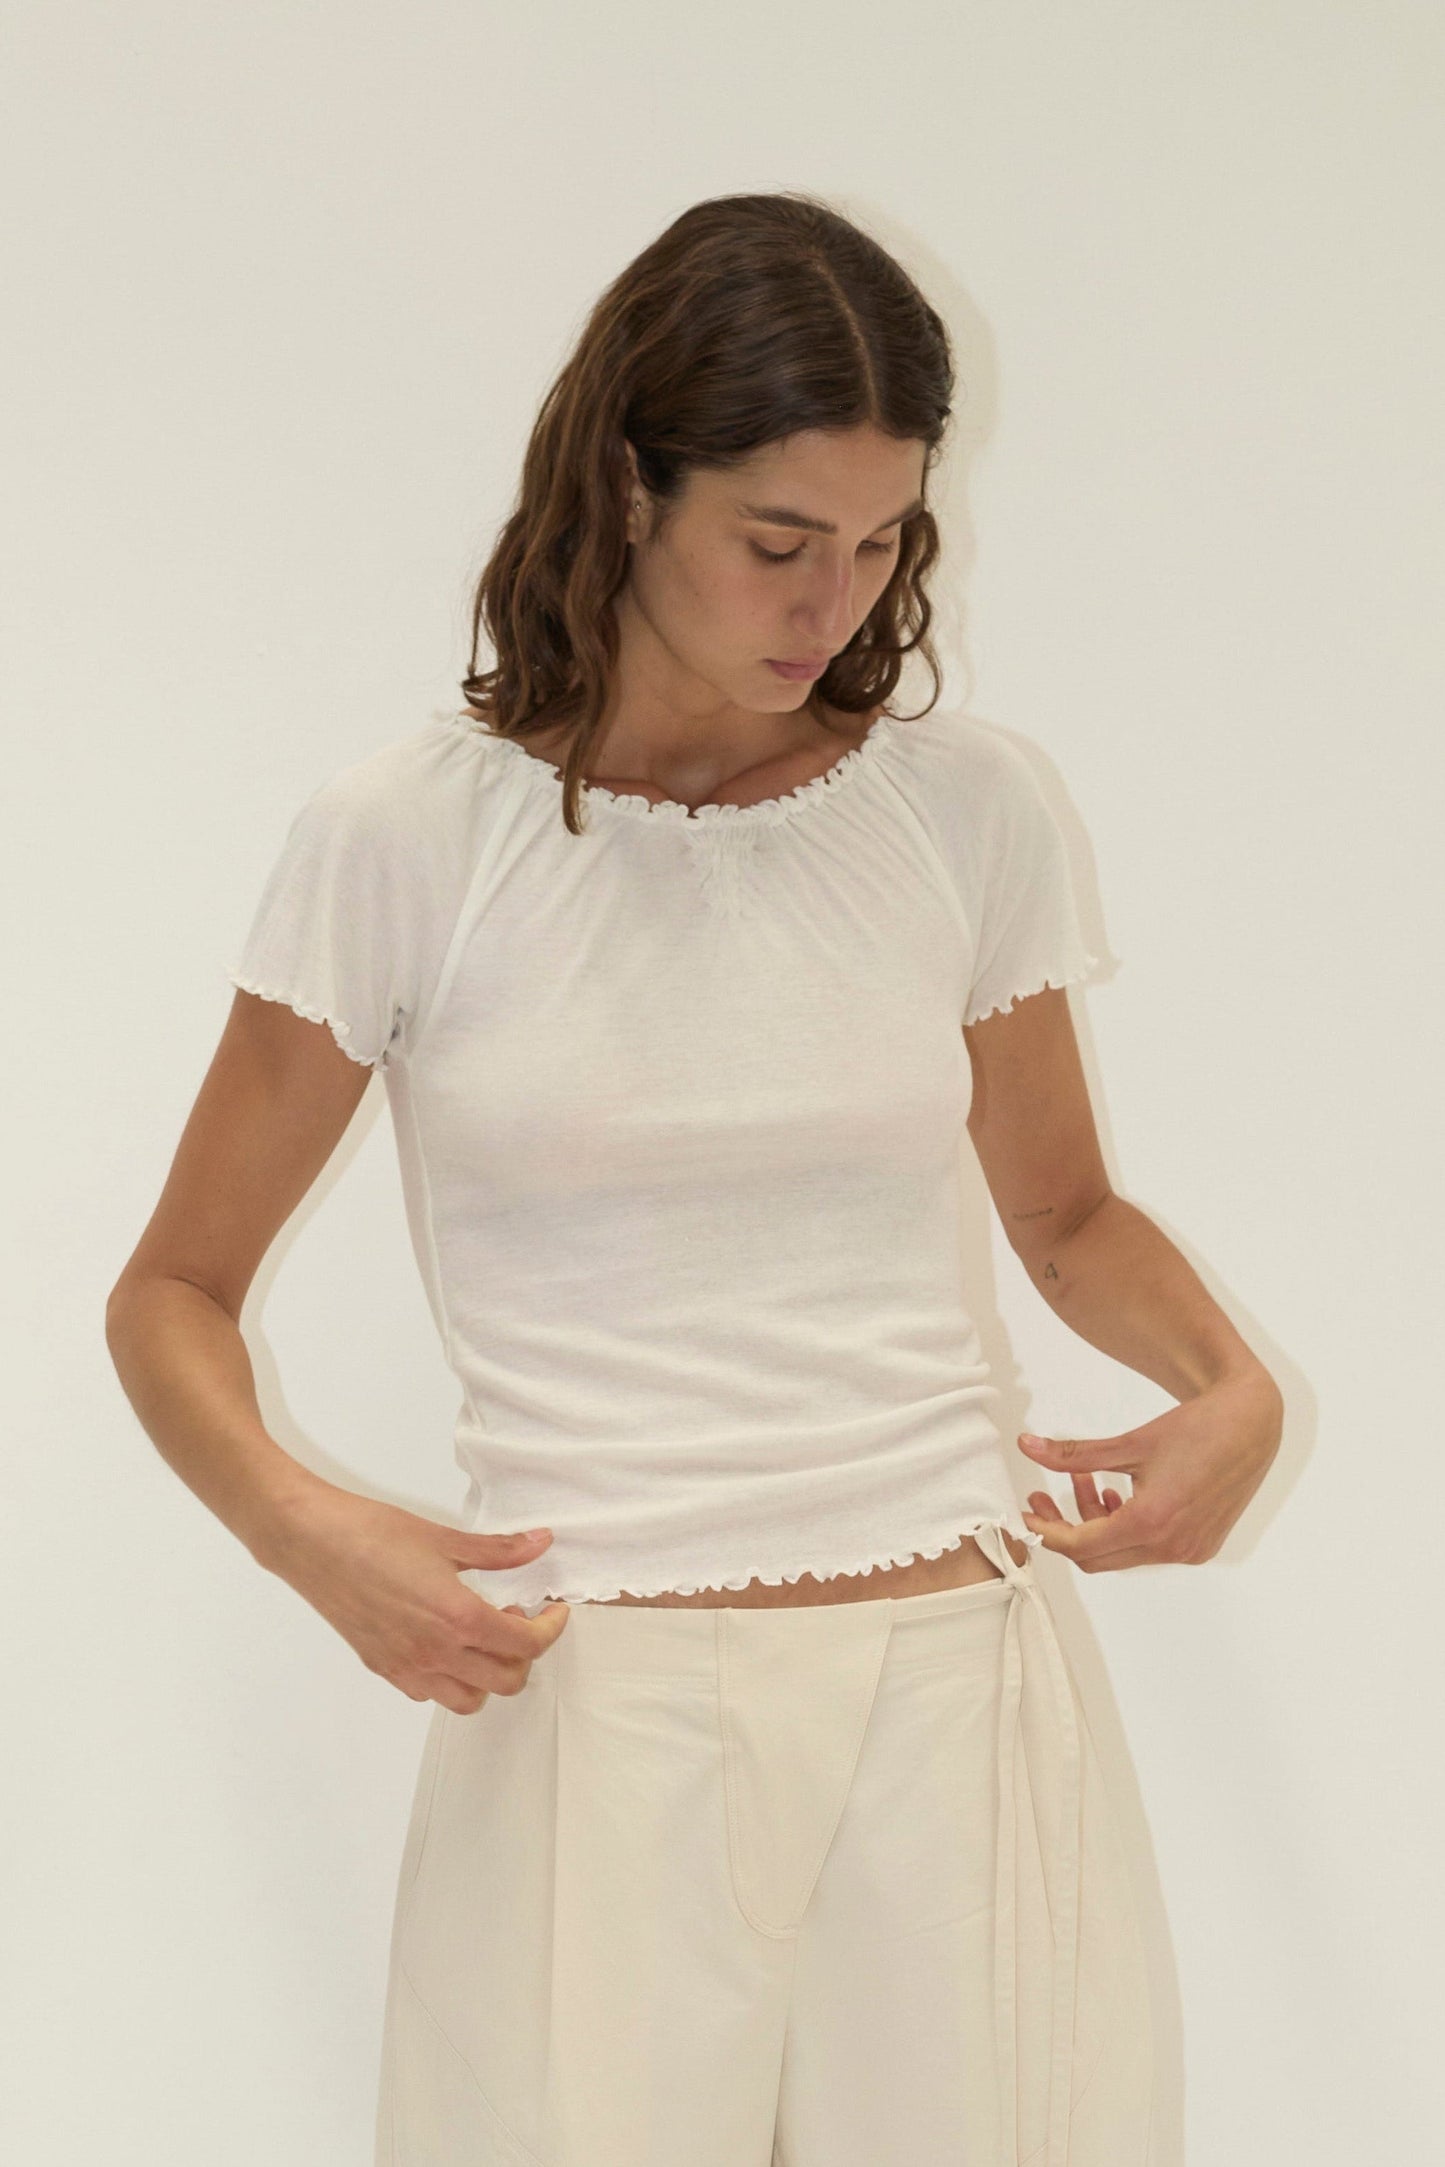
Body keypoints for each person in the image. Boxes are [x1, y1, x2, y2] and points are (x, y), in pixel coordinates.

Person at [105, 190, 1283, 2167]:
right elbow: (173, 1290)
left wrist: (1231, 1389)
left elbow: (1065, 1216)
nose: (833, 599)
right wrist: (307, 1533)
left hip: (962, 1686)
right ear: (627, 489)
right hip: (599, 1703)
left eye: (884, 538)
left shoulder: (963, 809)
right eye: (778, 541)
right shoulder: (411, 838)